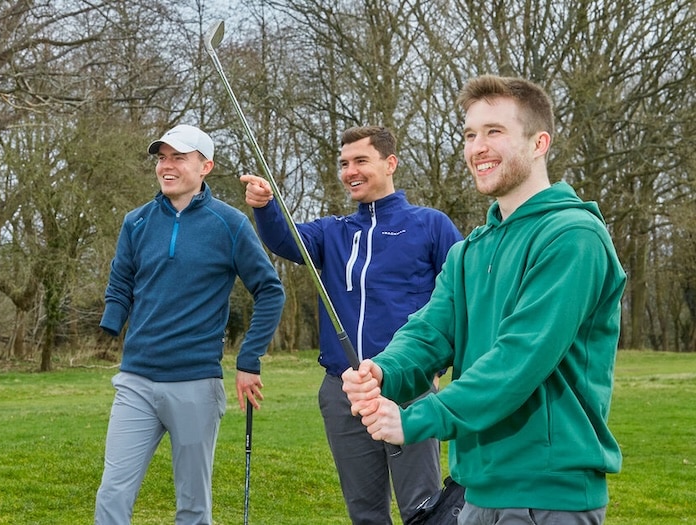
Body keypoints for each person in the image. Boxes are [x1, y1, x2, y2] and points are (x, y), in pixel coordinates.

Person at [342, 75, 626, 525]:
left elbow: (519, 360)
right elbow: (429, 332)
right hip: (475, 491)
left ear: (539, 143)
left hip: (548, 497)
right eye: (470, 134)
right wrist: (383, 370)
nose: (478, 147)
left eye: (495, 131)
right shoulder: (469, 251)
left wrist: (416, 419)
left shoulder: (573, 237)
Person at [241, 126, 463, 524]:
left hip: (407, 389)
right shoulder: (332, 232)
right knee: (364, 513)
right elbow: (285, 239)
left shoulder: (431, 225)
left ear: (390, 163)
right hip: (341, 391)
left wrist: (440, 370)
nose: (350, 171)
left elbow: (462, 300)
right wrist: (265, 206)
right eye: (344, 163)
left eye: (361, 161)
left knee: (423, 508)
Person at [95, 124, 285, 525]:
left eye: (178, 158)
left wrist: (248, 359)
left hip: (196, 383)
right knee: (112, 492)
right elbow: (121, 281)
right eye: (162, 157)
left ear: (205, 166)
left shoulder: (230, 224)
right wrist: (112, 322)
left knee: (193, 506)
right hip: (136, 380)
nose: (166, 166)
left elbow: (270, 290)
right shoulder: (137, 222)